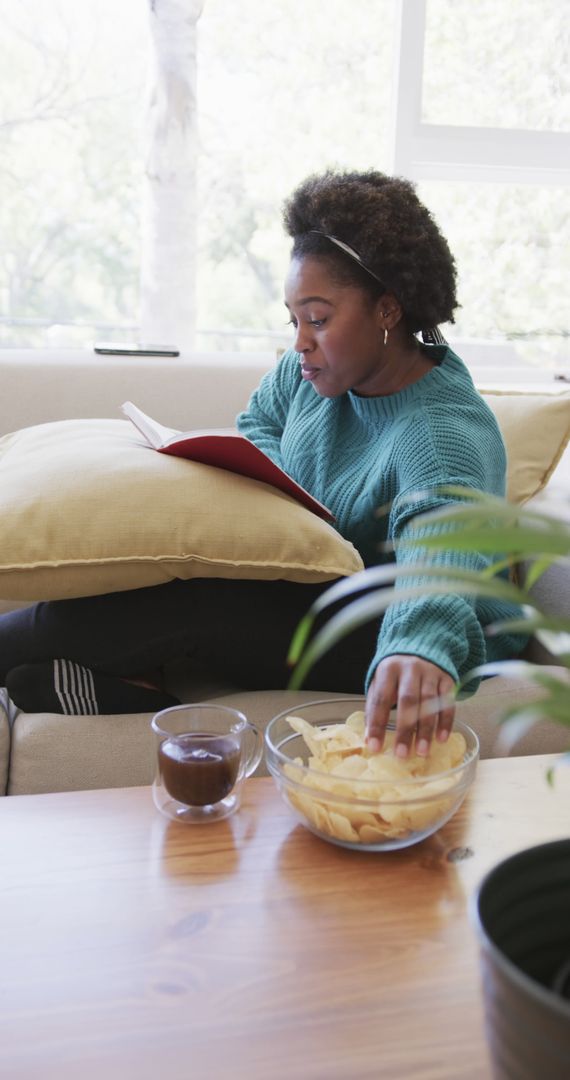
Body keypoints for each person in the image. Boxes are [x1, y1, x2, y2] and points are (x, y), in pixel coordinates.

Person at [0, 168, 524, 758]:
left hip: (411, 635)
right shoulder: (314, 371)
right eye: (293, 318)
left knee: (201, 603)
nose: (300, 339)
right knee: (181, 578)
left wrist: (421, 643)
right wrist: (289, 507)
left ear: (387, 310)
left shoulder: (440, 430)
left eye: (319, 318)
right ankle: (119, 687)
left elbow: (441, 549)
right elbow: (260, 424)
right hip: (322, 590)